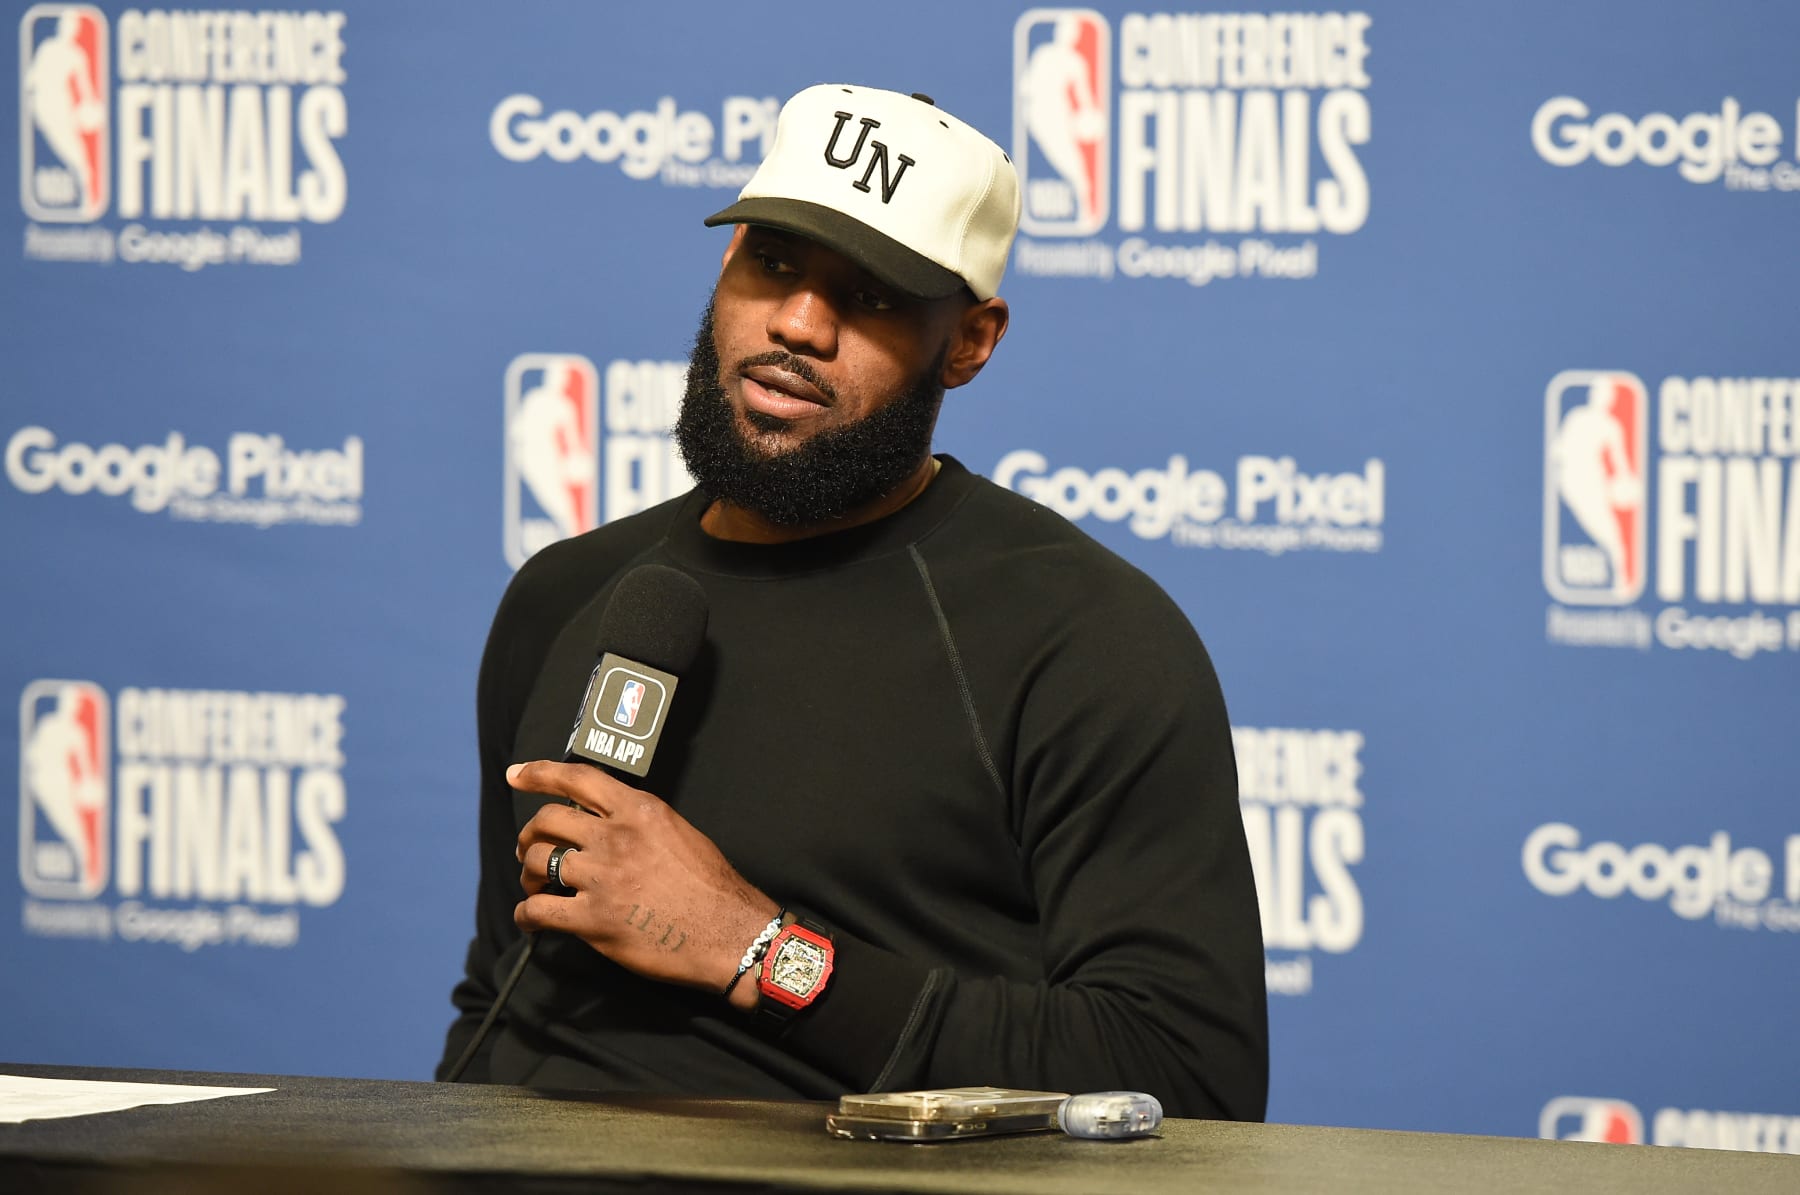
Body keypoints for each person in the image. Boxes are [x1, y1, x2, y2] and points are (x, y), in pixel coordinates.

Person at [437, 83, 1268, 1121]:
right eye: (773, 264)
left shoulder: (1084, 638)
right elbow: (499, 992)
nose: (797, 323)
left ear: (969, 341)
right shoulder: (568, 595)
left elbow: (1188, 1081)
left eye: (871, 293)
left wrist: (754, 947)